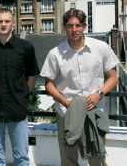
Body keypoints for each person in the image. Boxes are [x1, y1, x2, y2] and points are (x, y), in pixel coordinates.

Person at [40, 9, 119, 166]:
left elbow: (113, 77)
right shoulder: (55, 53)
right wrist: (65, 102)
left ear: (85, 26)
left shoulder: (100, 47)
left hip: (95, 110)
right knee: (68, 158)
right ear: (64, 27)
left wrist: (99, 94)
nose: (74, 30)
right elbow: (49, 84)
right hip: (67, 112)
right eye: (70, 26)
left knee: (97, 156)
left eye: (78, 25)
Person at [0, 8, 40, 166]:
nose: (3, 24)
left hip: (17, 108)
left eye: (7, 21)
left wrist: (23, 95)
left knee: (21, 155)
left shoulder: (26, 48)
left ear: (13, 23)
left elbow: (32, 76)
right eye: (0, 21)